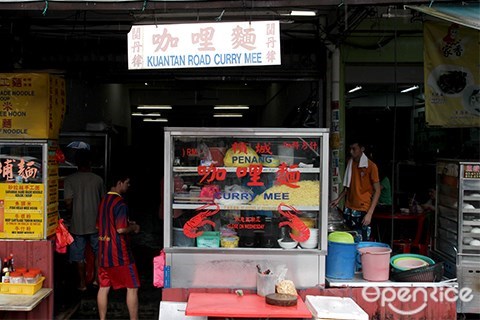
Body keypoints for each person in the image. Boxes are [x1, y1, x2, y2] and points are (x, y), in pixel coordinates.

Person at [97, 174, 141, 320]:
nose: (128, 186)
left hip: (103, 251)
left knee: (103, 287)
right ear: (119, 182)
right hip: (120, 254)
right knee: (132, 287)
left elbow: (99, 225)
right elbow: (121, 229)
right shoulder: (120, 203)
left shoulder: (103, 201)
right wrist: (134, 227)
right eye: (127, 183)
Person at [64, 148, 105, 291]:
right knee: (97, 252)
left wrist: (72, 212)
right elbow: (103, 202)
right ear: (90, 163)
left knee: (78, 255)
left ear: (76, 163)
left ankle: (82, 284)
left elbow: (68, 202)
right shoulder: (98, 180)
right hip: (95, 224)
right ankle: (96, 280)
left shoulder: (70, 180)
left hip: (77, 225)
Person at [330, 141, 381, 241]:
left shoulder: (371, 166)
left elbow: (377, 190)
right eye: (350, 149)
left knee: (361, 240)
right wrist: (338, 199)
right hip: (349, 206)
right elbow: (347, 186)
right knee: (348, 238)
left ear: (362, 149)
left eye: (354, 149)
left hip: (363, 208)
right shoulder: (350, 163)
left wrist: (369, 213)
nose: (351, 151)